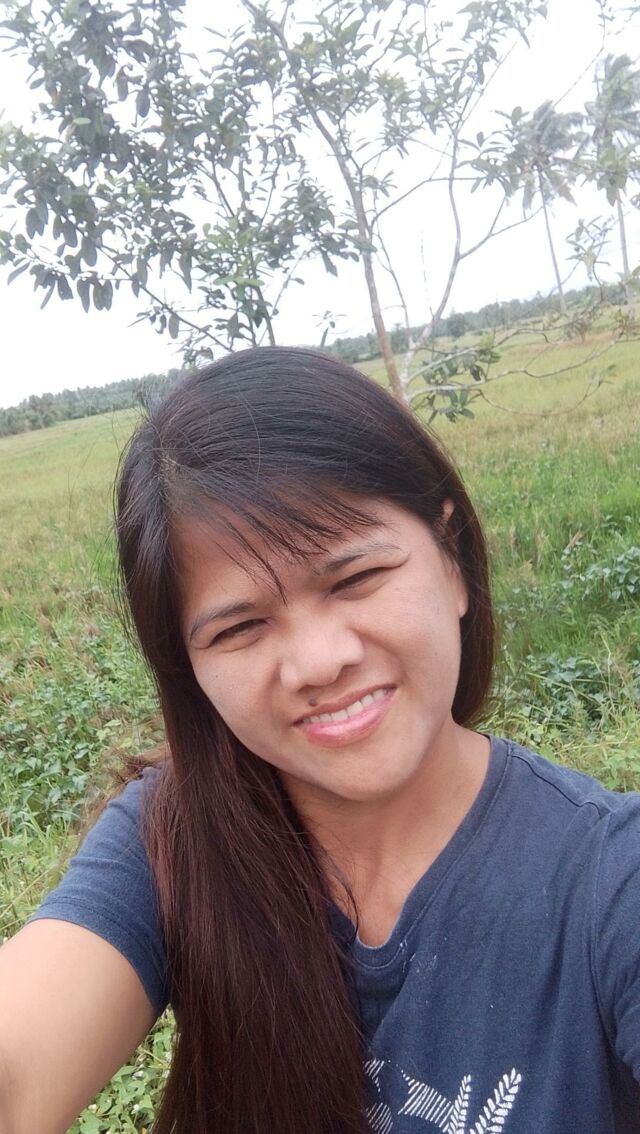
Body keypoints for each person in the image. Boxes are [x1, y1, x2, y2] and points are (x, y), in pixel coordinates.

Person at [0, 346, 639, 1134]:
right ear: (188, 668)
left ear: (452, 562)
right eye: (239, 627)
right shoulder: (172, 838)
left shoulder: (609, 883)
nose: (318, 662)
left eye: (354, 579)